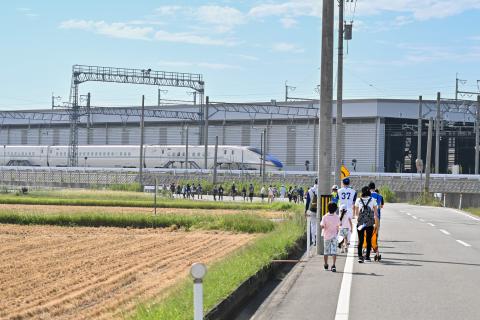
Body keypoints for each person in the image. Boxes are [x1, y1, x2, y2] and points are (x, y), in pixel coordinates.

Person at [354, 186, 378, 263]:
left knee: (360, 240)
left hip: (361, 223)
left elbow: (356, 214)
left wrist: (359, 220)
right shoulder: (373, 200)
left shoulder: (358, 200)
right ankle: (367, 257)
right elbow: (376, 214)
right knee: (368, 240)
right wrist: (376, 224)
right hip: (370, 223)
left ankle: (360, 257)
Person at [320, 202, 341, 272]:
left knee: (326, 251)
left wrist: (324, 226)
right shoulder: (337, 217)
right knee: (334, 251)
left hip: (326, 236)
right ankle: (334, 265)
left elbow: (322, 226)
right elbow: (338, 225)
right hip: (334, 236)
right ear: (335, 209)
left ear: (327, 208)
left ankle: (326, 265)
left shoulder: (324, 217)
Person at [305, 178, 319, 247]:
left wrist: (306, 210)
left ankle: (314, 241)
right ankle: (319, 239)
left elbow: (307, 202)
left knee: (313, 225)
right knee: (319, 225)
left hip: (312, 209)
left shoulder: (310, 190)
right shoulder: (323, 189)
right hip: (320, 210)